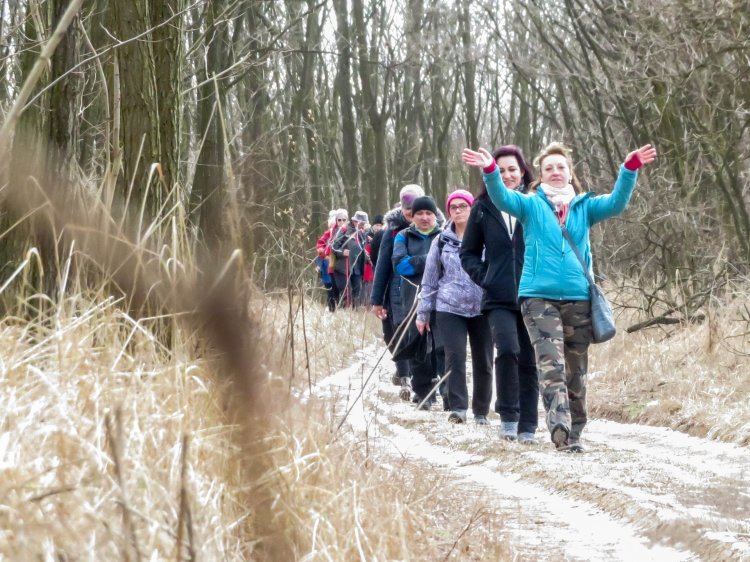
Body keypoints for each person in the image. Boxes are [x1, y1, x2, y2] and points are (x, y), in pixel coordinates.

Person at [462, 142, 657, 451]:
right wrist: (490, 171)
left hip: (580, 298)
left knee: (575, 372)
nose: (555, 172)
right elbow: (500, 196)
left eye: (560, 167)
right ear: (540, 174)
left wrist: (628, 169)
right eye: (549, 168)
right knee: (551, 366)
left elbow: (617, 203)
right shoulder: (530, 205)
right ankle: (560, 429)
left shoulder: (585, 207)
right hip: (538, 298)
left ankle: (576, 431)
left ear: (570, 173)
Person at [460, 145, 540, 443]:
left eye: (512, 169)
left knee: (530, 360)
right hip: (498, 298)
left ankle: (528, 425)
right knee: (507, 350)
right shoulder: (482, 207)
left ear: (523, 172)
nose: (507, 175)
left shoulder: (535, 204)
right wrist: (487, 277)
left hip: (534, 295)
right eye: (501, 169)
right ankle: (509, 416)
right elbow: (467, 253)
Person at [416, 189, 493, 424]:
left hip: (482, 307)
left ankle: (481, 411)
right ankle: (458, 408)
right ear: (448, 211)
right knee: (454, 357)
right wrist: (423, 312)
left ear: (472, 208)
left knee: (484, 360)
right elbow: (429, 279)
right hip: (449, 306)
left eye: (463, 206)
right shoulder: (441, 240)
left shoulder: (487, 236)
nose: (458, 210)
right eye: (453, 207)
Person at [392, 195, 445, 409]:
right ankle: (423, 393)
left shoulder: (444, 236)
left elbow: (451, 262)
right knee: (419, 344)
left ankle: (446, 391)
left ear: (435, 215)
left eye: (429, 213)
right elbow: (400, 265)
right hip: (412, 296)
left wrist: (419, 263)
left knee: (442, 346)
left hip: (442, 297)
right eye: (420, 213)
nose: (424, 217)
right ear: (412, 217)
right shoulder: (402, 237)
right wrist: (432, 260)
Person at [371, 185, 424, 396]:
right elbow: (382, 266)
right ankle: (405, 377)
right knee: (397, 333)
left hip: (424, 289)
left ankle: (421, 377)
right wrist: (377, 300)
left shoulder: (435, 228)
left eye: (415, 210)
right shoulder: (391, 232)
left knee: (421, 334)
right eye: (407, 210)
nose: (411, 215)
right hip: (396, 290)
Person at [331, 210, 369, 307]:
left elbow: (362, 249)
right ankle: (345, 316)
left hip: (357, 268)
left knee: (357, 293)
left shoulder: (361, 233)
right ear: (356, 221)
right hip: (344, 267)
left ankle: (355, 315)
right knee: (346, 294)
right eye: (362, 223)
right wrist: (342, 252)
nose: (363, 226)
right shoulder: (344, 230)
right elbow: (333, 247)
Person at [316, 209, 346, 311]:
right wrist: (324, 254)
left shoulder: (347, 232)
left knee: (341, 288)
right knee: (331, 288)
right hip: (330, 263)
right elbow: (320, 244)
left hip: (343, 263)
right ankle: (332, 309)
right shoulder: (329, 232)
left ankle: (341, 309)